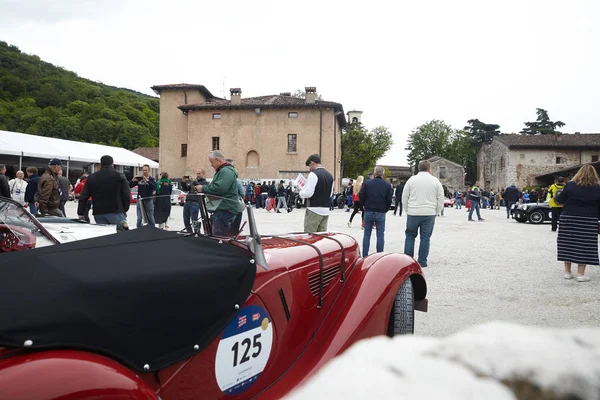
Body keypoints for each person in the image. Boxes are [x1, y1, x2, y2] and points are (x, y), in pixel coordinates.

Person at [554, 165, 600, 282]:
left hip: (568, 218)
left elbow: (559, 200)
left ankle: (567, 272)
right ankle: (580, 274)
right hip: (588, 219)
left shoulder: (569, 185)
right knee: (584, 245)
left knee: (567, 243)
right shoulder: (597, 188)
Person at [402, 160, 444, 268]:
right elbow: (440, 198)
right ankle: (422, 261)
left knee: (410, 236)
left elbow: (405, 196)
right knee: (425, 237)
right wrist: (437, 211)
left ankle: (408, 260)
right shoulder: (435, 181)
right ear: (429, 169)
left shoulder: (411, 180)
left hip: (413, 211)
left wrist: (407, 209)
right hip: (429, 212)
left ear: (418, 168)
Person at [195, 150, 240, 237]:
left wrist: (202, 188)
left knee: (219, 238)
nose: (211, 165)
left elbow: (219, 188)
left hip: (224, 209)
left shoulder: (226, 171)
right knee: (219, 237)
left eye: (211, 162)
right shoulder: (225, 171)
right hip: (223, 209)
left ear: (217, 160)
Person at [77, 155, 130, 225]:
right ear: (112, 163)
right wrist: (125, 209)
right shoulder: (119, 175)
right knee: (121, 234)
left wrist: (81, 213)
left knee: (104, 234)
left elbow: (83, 196)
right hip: (116, 210)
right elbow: (126, 193)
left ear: (101, 164)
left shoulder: (91, 177)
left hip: (98, 212)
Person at [359, 166, 392, 257]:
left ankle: (365, 255)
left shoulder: (367, 183)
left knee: (367, 234)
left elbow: (361, 195)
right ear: (383, 174)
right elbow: (389, 199)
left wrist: (364, 205)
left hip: (369, 210)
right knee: (380, 235)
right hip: (380, 211)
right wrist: (385, 209)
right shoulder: (387, 185)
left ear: (374, 173)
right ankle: (379, 255)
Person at [299, 154, 334, 233]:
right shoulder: (330, 176)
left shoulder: (313, 174)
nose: (309, 168)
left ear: (313, 163)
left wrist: (301, 192)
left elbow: (309, 193)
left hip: (313, 210)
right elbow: (330, 194)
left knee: (310, 238)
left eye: (309, 165)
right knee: (321, 240)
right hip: (325, 210)